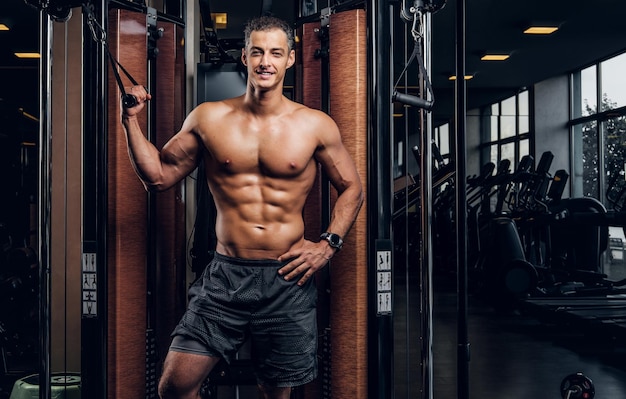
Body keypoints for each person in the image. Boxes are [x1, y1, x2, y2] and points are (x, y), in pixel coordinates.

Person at [121, 15, 363, 399]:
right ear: (245, 57)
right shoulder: (209, 117)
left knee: (275, 392)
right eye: (257, 52)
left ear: (290, 60)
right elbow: (159, 176)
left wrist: (328, 244)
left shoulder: (315, 125)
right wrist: (131, 120)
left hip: (288, 277)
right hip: (226, 277)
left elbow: (352, 187)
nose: (266, 61)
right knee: (174, 387)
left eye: (275, 53)